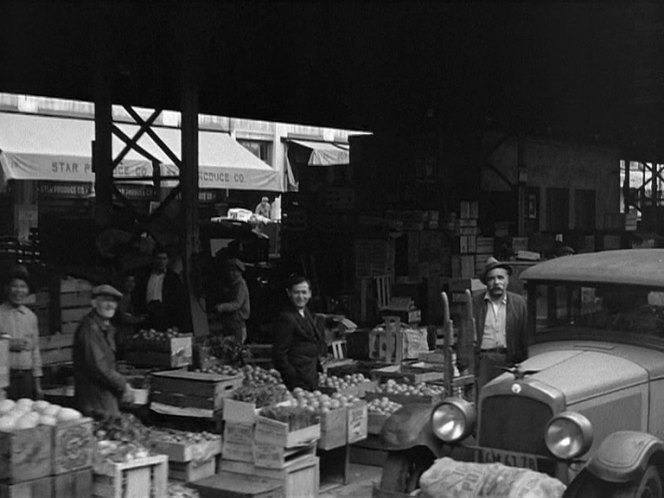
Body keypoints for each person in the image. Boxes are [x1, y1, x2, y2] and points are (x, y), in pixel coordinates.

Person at [459, 257, 528, 389]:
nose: (496, 282)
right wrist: (464, 367)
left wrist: (525, 363)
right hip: (484, 362)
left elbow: (525, 336)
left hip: (511, 362)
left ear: (507, 280)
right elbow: (464, 337)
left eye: (500, 278)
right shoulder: (474, 304)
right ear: (486, 283)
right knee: (484, 400)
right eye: (491, 279)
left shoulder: (519, 304)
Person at [73, 284, 132, 418]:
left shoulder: (105, 327)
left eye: (113, 301)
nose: (110, 305)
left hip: (104, 398)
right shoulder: (89, 329)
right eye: (105, 300)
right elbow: (99, 367)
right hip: (94, 401)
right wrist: (123, 384)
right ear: (94, 303)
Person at [273, 275, 326, 391]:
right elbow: (279, 353)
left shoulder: (306, 311)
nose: (301, 296)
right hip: (298, 378)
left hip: (309, 372)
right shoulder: (286, 318)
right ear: (289, 293)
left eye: (304, 292)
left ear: (310, 294)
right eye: (296, 292)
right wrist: (292, 377)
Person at [0, 267, 43, 400]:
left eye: (23, 287)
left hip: (26, 377)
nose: (19, 291)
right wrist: (8, 345)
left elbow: (35, 351)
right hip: (4, 379)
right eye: (14, 286)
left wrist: (38, 385)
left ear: (28, 290)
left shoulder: (31, 317)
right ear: (7, 288)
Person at [134, 247, 186, 331]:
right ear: (154, 259)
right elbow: (138, 294)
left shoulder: (172, 278)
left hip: (165, 316)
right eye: (159, 258)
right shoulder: (144, 275)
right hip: (147, 315)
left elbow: (179, 300)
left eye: (164, 259)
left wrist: (177, 323)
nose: (161, 262)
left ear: (167, 260)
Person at [214, 258, 250, 343]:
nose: (231, 273)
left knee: (236, 347)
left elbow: (237, 304)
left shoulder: (240, 285)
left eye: (234, 271)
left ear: (240, 272)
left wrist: (222, 307)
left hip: (237, 321)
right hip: (228, 321)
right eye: (230, 270)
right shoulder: (230, 284)